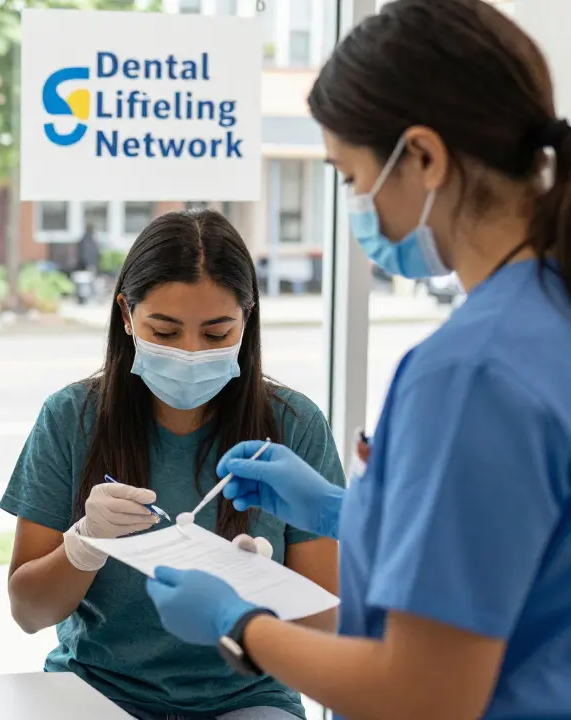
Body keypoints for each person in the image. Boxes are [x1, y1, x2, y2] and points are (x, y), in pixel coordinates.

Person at [144, 2, 571, 718]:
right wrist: (346, 509)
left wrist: (239, 623)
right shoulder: (548, 315)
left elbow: (423, 693)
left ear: (425, 159)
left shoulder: (470, 372)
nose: (354, 205)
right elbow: (523, 543)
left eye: (348, 177)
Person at [1, 208, 345, 720]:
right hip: (97, 692)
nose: (189, 352)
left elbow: (327, 627)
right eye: (163, 332)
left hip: (247, 699)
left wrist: (261, 594)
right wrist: (84, 545)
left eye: (215, 334)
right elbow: (29, 612)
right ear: (126, 314)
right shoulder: (71, 418)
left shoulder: (293, 425)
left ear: (247, 321)